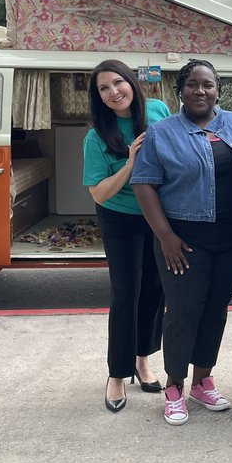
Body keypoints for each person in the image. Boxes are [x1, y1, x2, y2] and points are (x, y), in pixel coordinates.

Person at [132, 59, 232, 426]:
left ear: (218, 90)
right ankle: (174, 387)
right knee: (183, 312)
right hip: (182, 240)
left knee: (216, 309)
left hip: (230, 238)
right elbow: (144, 183)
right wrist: (166, 236)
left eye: (208, 85)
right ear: (180, 90)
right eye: (193, 85)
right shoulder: (163, 132)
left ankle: (203, 380)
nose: (201, 91)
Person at [84, 60, 171, 412]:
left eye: (118, 82)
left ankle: (142, 359)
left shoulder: (158, 109)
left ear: (132, 83)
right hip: (120, 218)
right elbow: (98, 193)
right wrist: (131, 163)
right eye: (104, 88)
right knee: (126, 293)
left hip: (159, 215)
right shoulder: (96, 136)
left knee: (154, 289)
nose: (113, 92)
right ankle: (117, 374)